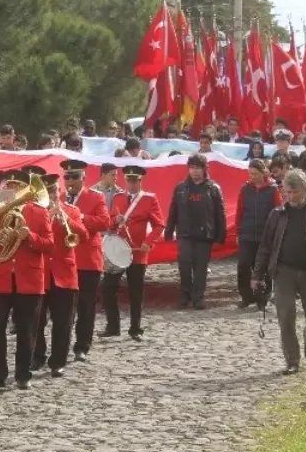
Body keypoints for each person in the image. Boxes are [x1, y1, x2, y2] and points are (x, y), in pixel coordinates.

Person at [252, 170, 306, 374]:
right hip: (284, 271)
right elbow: (265, 246)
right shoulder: (277, 214)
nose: (290, 196)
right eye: (286, 192)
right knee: (286, 315)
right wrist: (256, 275)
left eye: (294, 192)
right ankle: (292, 361)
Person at [0, 169, 54, 389]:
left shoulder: (39, 213)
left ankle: (23, 375)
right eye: (9, 186)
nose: (13, 190)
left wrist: (29, 236)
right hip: (0, 277)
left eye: (17, 186)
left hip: (28, 280)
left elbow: (49, 244)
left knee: (26, 329)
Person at [31, 173, 89, 377]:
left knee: (63, 321)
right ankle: (37, 356)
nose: (52, 195)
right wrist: (47, 217)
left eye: (55, 190)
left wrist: (64, 218)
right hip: (41, 273)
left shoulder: (72, 210)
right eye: (47, 191)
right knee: (36, 320)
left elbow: (83, 235)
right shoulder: (34, 213)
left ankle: (58, 361)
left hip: (64, 273)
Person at [102, 166, 164, 340]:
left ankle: (135, 328)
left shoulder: (149, 199)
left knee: (135, 292)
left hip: (137, 252)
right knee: (108, 288)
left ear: (140, 181)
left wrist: (148, 242)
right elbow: (109, 223)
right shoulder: (118, 197)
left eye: (134, 181)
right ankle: (113, 326)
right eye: (129, 180)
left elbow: (159, 224)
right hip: (118, 250)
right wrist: (116, 219)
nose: (131, 184)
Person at [59, 160, 112, 361]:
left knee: (86, 306)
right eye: (67, 177)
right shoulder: (60, 198)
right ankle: (61, 348)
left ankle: (82, 345)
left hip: (87, 260)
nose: (70, 181)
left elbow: (104, 222)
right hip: (64, 260)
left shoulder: (95, 197)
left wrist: (79, 216)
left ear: (83, 178)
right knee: (64, 308)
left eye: (74, 177)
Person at [164, 154, 227, 310]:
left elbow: (220, 213)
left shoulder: (213, 188)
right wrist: (169, 230)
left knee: (200, 267)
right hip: (184, 233)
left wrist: (221, 234)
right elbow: (173, 211)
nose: (194, 171)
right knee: (184, 265)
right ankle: (185, 294)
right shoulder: (180, 188)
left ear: (205, 169)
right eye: (191, 167)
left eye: (197, 167)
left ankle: (198, 297)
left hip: (204, 234)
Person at [234, 159, 281, 310]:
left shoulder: (273, 190)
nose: (252, 177)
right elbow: (239, 211)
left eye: (255, 174)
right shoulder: (245, 189)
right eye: (250, 174)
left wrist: (276, 233)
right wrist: (238, 232)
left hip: (265, 235)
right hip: (246, 234)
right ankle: (246, 296)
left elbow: (278, 212)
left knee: (262, 267)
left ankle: (262, 298)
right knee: (243, 265)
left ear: (263, 173)